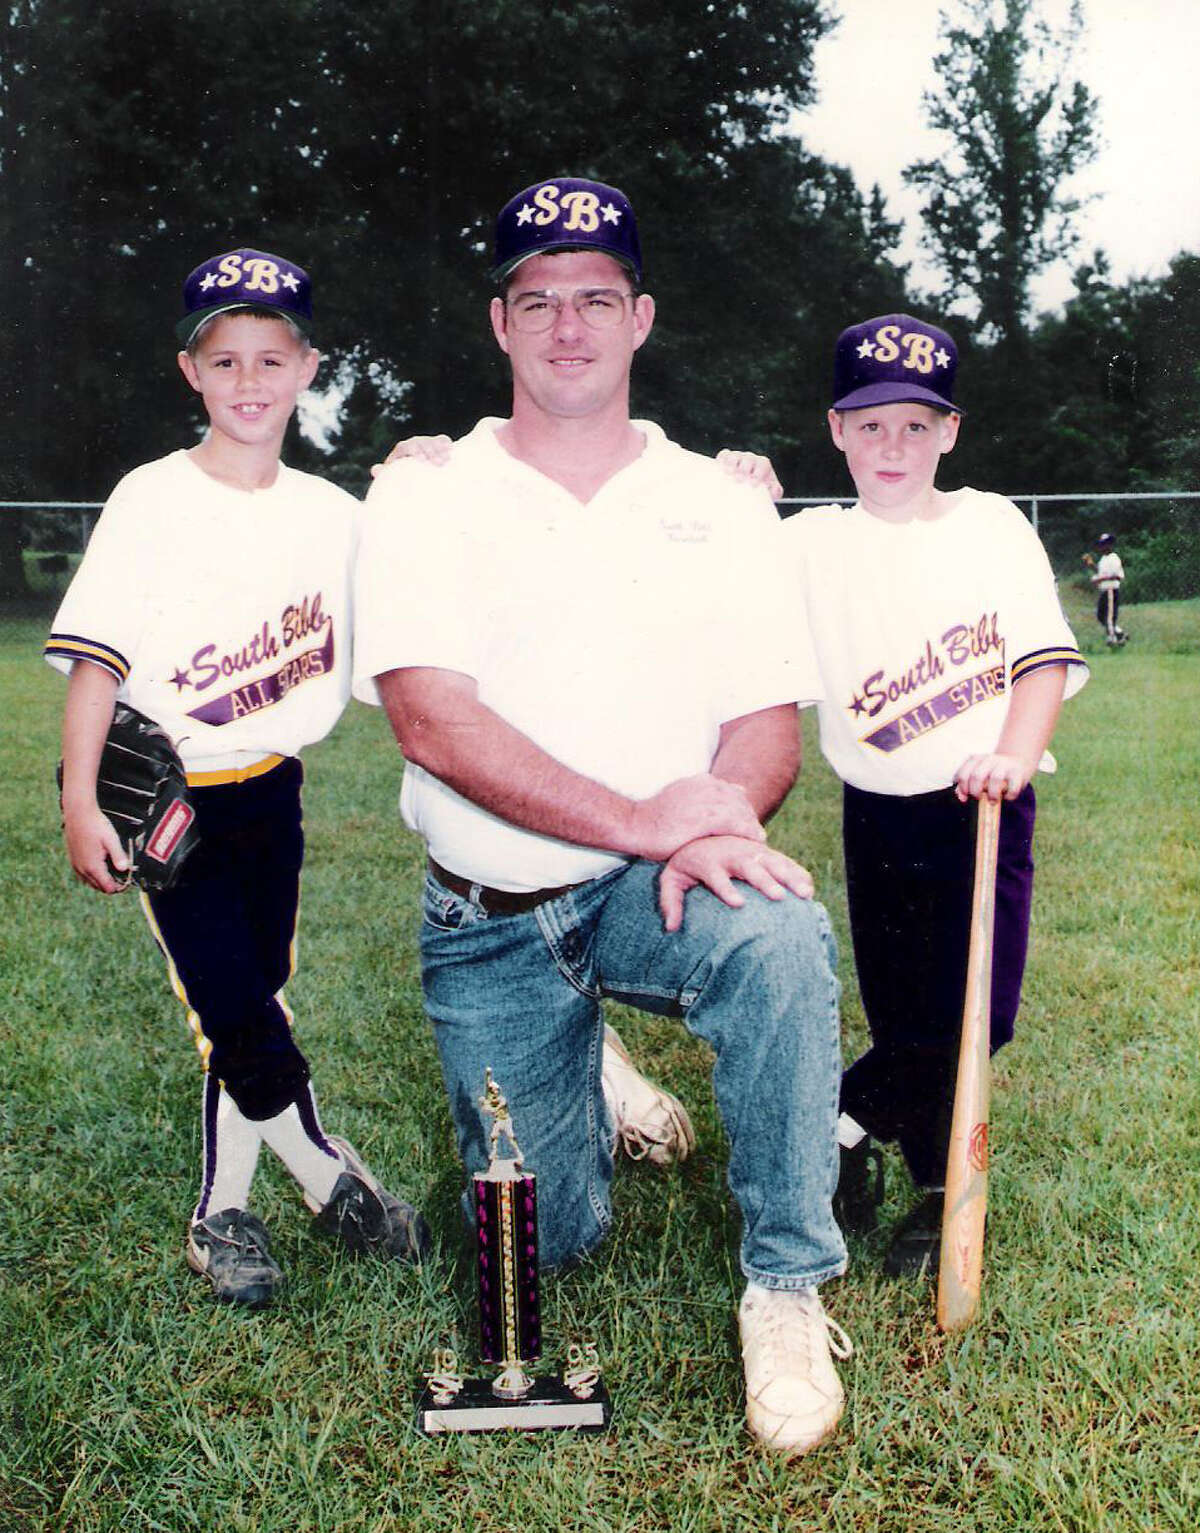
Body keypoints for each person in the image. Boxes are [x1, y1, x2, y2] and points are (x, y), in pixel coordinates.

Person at [353, 177, 851, 1457]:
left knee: (782, 935)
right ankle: (590, 1065)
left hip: (655, 890)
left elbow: (765, 729)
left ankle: (787, 1285)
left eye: (594, 299)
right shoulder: (424, 491)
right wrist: (651, 818)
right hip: (495, 915)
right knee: (552, 1242)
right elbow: (431, 720)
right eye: (538, 301)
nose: (566, 326)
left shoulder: (725, 501)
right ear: (499, 323)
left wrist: (719, 815)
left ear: (640, 318)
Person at [45, 248, 429, 1310]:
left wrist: (432, 469)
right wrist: (81, 799)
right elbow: (95, 662)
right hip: (172, 795)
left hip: (275, 791)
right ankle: (322, 1173)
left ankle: (224, 1214)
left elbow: (418, 590)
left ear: (309, 367)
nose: (250, 381)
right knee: (235, 1006)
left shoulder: (334, 514)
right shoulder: (152, 497)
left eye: (272, 357)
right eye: (227, 361)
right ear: (192, 373)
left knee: (251, 999)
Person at [785, 313, 1089, 1276]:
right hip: (875, 807)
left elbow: (1040, 663)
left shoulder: (991, 524)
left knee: (978, 1012)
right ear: (835, 429)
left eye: (916, 425)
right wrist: (737, 478)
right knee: (903, 1002)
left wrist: (1011, 752)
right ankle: (926, 1184)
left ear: (950, 433)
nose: (893, 447)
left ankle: (838, 1122)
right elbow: (685, 544)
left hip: (981, 803)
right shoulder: (807, 544)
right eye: (870, 425)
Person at [1087, 532, 1127, 645]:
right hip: (1104, 590)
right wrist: (1091, 565)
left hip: (1111, 590)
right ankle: (1119, 633)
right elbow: (1101, 572)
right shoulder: (1103, 559)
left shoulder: (1114, 558)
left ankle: (1113, 639)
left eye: (1105, 544)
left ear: (1110, 545)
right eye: (1101, 544)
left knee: (1109, 617)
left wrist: (1099, 580)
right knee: (1101, 616)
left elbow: (1117, 576)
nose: (1102, 547)